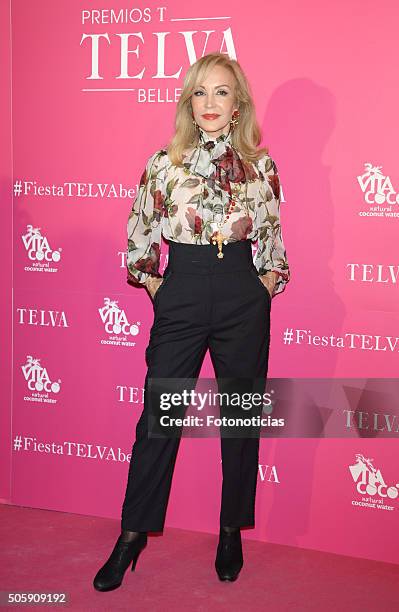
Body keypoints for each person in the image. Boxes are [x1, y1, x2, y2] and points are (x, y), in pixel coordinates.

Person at [93, 51, 290, 591]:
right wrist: (161, 286)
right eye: (200, 92)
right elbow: (139, 237)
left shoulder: (262, 165)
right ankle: (131, 536)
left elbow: (273, 244)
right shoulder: (165, 161)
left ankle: (231, 529)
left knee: (241, 417)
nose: (209, 103)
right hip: (181, 287)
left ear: (238, 103)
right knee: (161, 415)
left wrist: (261, 289)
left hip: (240, 293)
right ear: (188, 101)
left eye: (221, 92)